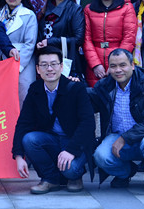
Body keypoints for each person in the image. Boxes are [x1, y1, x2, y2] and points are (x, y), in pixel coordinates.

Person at [13, 47, 95, 195]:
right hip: (52, 139)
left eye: (53, 64)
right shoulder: (35, 89)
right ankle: (50, 179)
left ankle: (75, 177)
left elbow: (88, 123)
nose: (49, 69)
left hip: (74, 141)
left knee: (70, 170)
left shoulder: (76, 88)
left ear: (61, 67)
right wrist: (18, 155)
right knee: (30, 139)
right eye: (44, 65)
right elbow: (23, 122)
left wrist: (71, 150)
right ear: (38, 69)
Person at [90, 49, 144, 196]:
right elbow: (89, 101)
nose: (118, 70)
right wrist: (73, 85)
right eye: (113, 66)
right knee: (100, 156)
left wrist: (125, 138)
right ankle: (125, 173)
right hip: (117, 136)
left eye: (123, 65)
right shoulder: (104, 87)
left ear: (132, 65)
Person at [83, 0, 136, 87]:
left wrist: (116, 64)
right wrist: (95, 64)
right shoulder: (89, 9)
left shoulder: (126, 7)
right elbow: (86, 39)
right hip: (94, 64)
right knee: (95, 94)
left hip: (119, 64)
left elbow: (129, 38)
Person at [0, 0, 37, 103]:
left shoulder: (28, 15)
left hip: (22, 63)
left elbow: (30, 44)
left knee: (22, 96)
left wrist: (18, 66)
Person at [38, 0, 86, 79]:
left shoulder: (75, 9)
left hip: (65, 60)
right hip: (45, 60)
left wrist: (51, 41)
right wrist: (39, 43)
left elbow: (78, 39)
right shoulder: (45, 9)